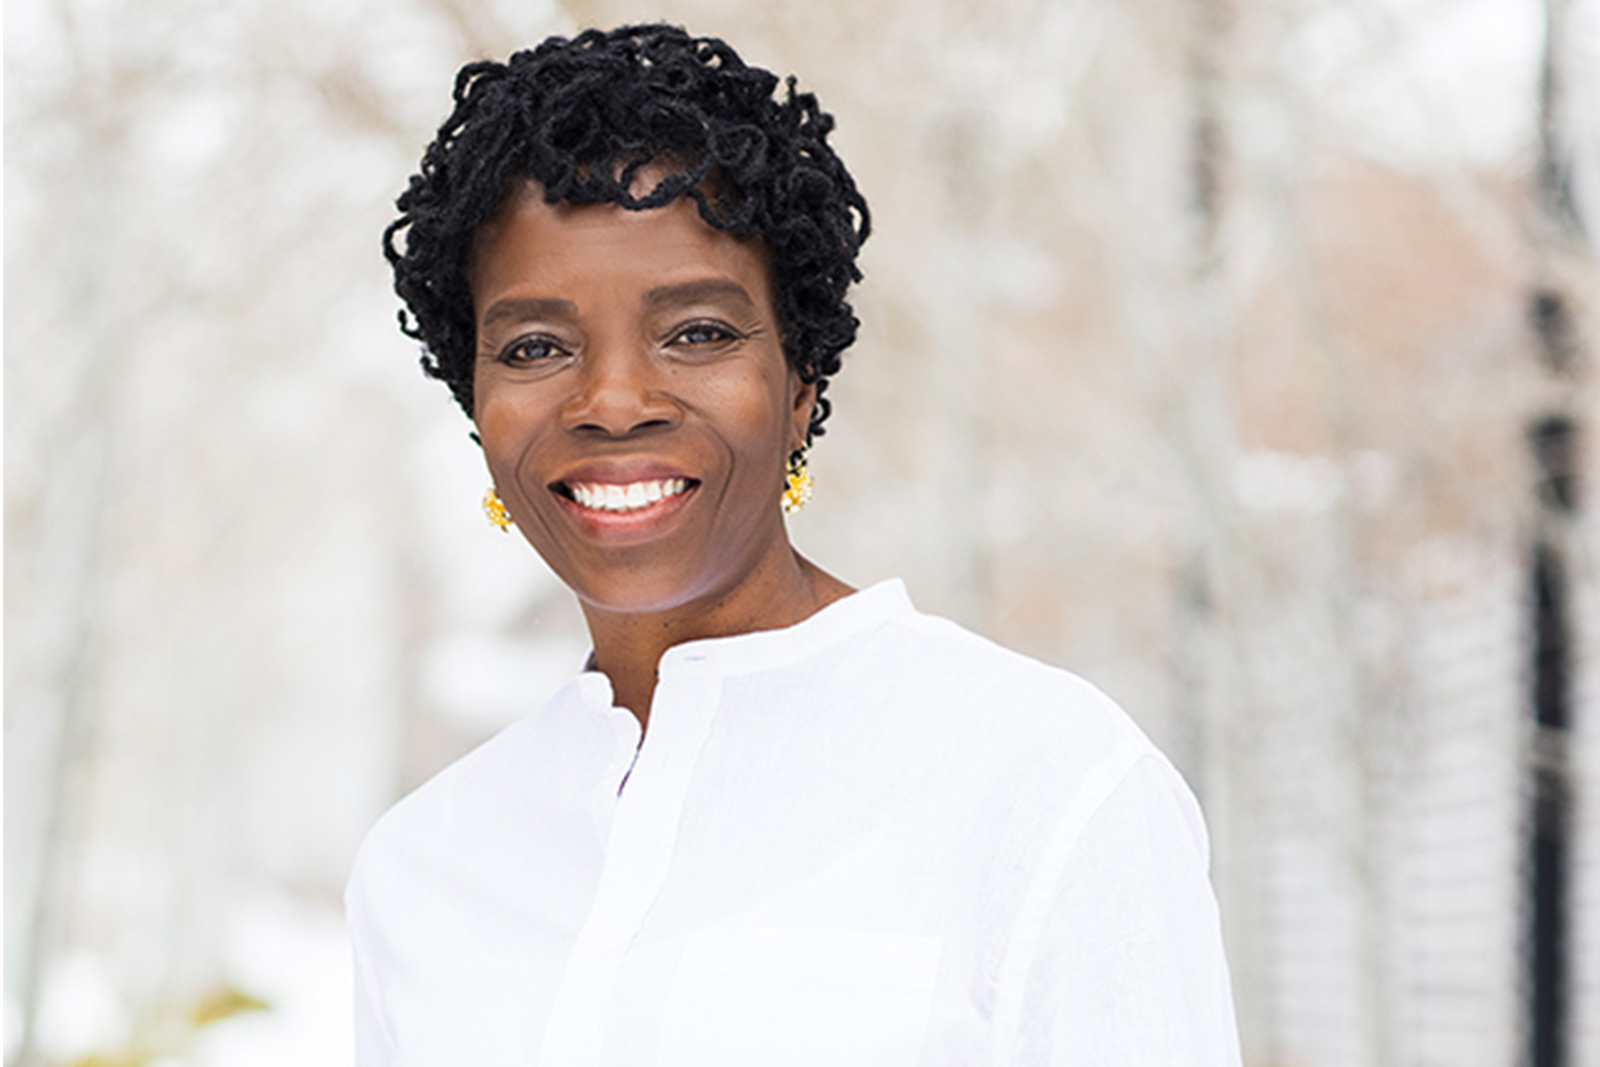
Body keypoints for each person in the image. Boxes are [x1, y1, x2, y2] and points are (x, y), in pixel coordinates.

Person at [346, 23, 1242, 1066]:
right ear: (478, 406)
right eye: (536, 346)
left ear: (800, 386)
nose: (613, 400)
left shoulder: (1045, 780)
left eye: (697, 332)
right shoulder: (423, 863)